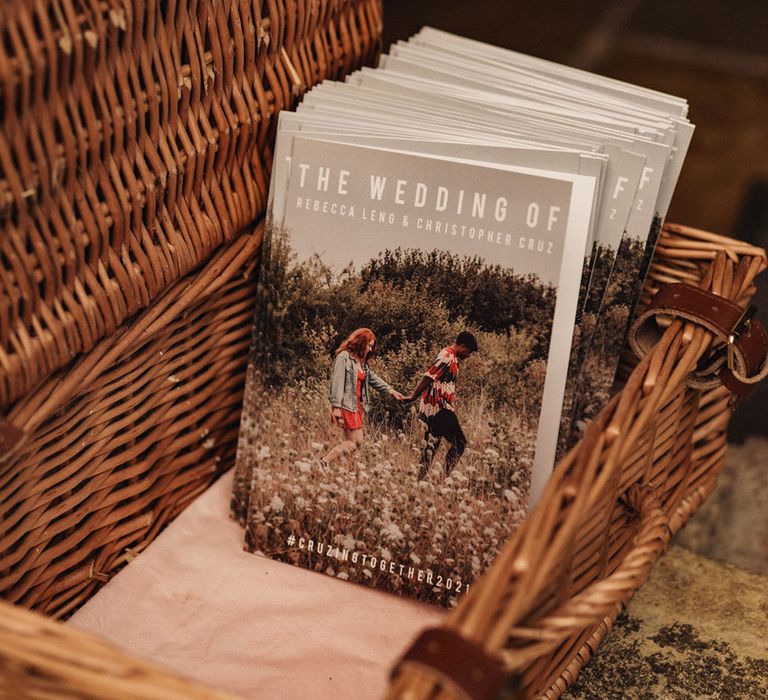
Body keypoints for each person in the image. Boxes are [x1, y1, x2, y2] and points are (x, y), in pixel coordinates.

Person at [405, 331, 478, 480]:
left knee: (431, 447)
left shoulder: (453, 357)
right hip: (438, 408)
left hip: (438, 408)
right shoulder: (447, 356)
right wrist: (413, 396)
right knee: (460, 443)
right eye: (469, 351)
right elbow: (428, 376)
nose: (468, 355)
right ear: (463, 346)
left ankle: (419, 481)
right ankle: (443, 480)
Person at [323, 328, 403, 465]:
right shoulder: (344, 357)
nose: (371, 349)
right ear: (361, 342)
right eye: (369, 345)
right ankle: (324, 462)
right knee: (353, 443)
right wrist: (336, 407)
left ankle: (348, 473)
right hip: (346, 406)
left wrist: (391, 390)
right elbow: (337, 381)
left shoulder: (361, 363)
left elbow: (373, 378)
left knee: (356, 444)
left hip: (357, 407)